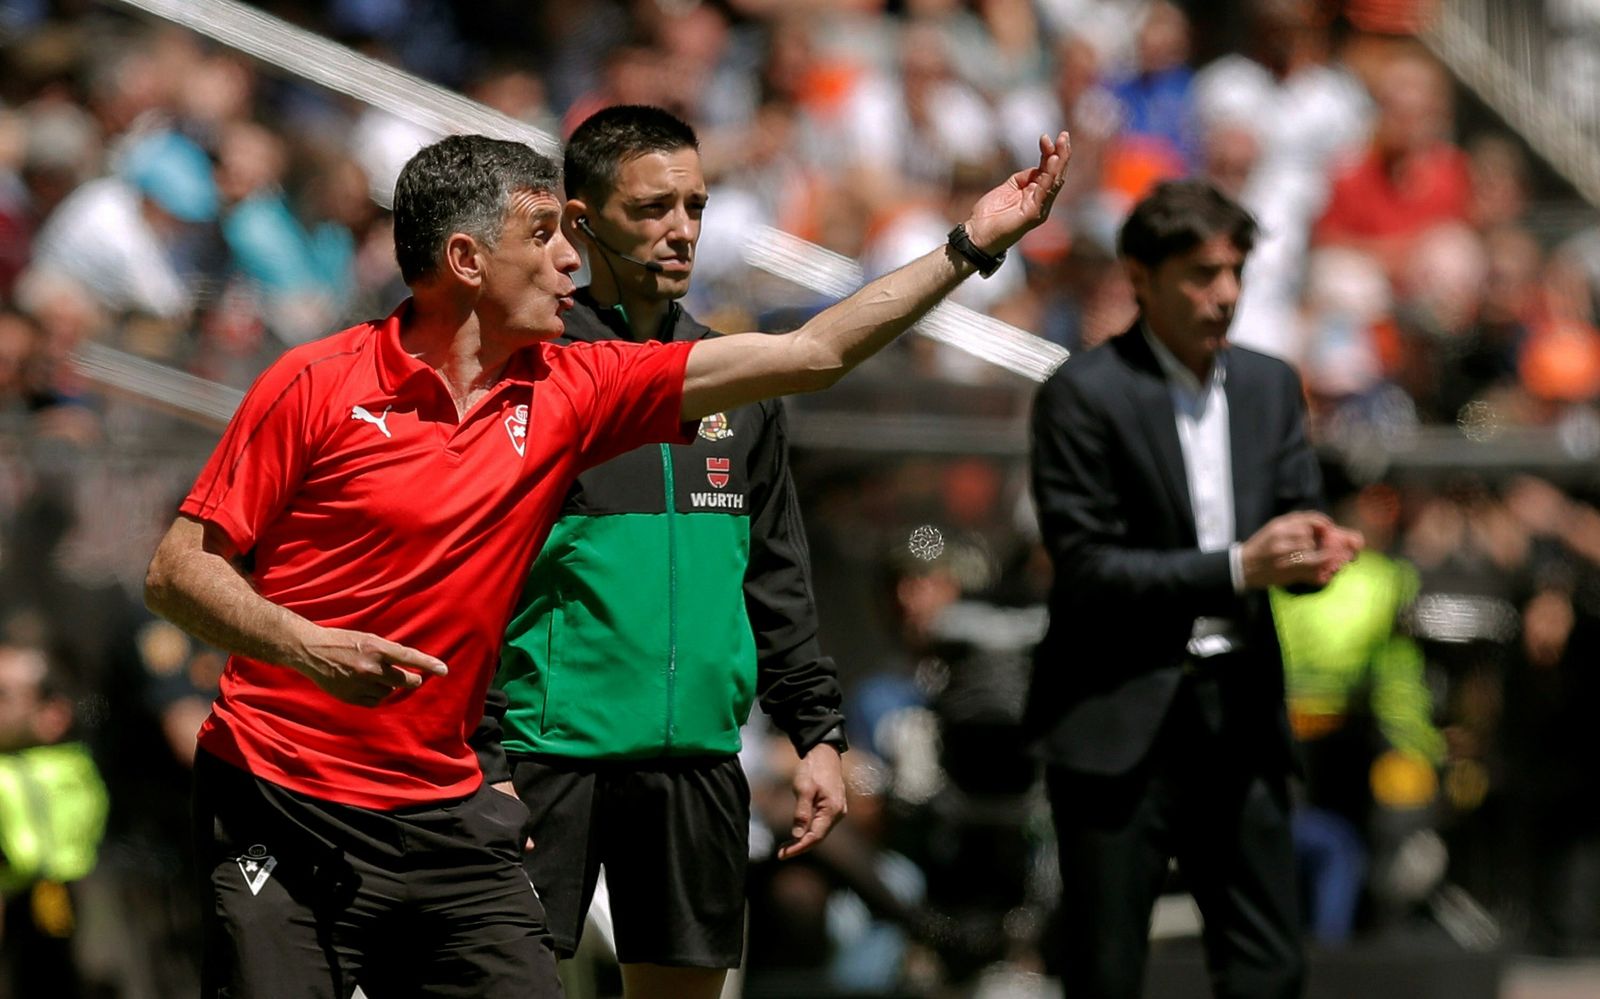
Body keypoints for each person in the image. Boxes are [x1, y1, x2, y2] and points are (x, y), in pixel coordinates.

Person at [143, 129, 1070, 999]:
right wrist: (309, 647)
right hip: (279, 792)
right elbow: (179, 571)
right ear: (467, 262)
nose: (571, 260)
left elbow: (812, 352)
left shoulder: (573, 389)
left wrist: (970, 245)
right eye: (542, 235)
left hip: (441, 807)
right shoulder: (313, 383)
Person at [487, 104, 848, 999]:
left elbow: (774, 571)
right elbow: (473, 579)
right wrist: (483, 754)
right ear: (580, 221)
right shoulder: (525, 373)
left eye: (695, 205)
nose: (680, 230)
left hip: (696, 760)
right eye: (652, 209)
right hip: (541, 756)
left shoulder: (743, 378)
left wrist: (817, 731)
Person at [1025, 179, 1360, 998]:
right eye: (1202, 274)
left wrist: (1316, 550)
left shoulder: (1270, 384)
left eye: (1236, 272)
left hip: (1240, 711)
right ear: (1139, 276)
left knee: (1269, 969)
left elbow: (1291, 516)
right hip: (1115, 716)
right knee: (1105, 971)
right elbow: (1088, 568)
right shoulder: (1082, 393)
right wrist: (1243, 564)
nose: (1227, 295)